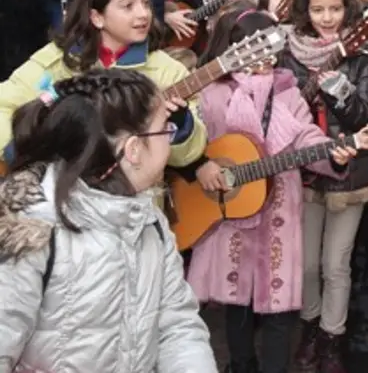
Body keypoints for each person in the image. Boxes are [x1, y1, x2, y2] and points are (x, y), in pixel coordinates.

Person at [0, 69, 216, 371]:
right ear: (134, 150)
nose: (170, 138)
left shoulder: (148, 222)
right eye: (164, 129)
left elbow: (177, 324)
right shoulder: (32, 227)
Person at [186, 8, 355, 373]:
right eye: (254, 46)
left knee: (279, 306)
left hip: (279, 208)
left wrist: (334, 156)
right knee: (238, 304)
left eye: (271, 47)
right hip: (230, 212)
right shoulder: (212, 93)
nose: (265, 57)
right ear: (234, 47)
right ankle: (241, 364)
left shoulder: (288, 93)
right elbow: (192, 140)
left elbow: (306, 138)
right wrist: (200, 165)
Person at [0, 0, 206, 170]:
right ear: (96, 17)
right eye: (128, 6)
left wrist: (180, 125)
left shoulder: (168, 71)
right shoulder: (56, 60)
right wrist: (27, 156)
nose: (144, 14)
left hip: (133, 196)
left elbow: (187, 156)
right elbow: (3, 105)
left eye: (146, 3)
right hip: (60, 191)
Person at [279, 0, 368, 372]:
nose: (327, 18)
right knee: (305, 262)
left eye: (336, 9)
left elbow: (365, 118)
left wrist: (340, 89)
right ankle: (308, 327)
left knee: (336, 263)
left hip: (349, 170)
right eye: (318, 9)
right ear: (305, 10)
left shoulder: (363, 54)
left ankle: (331, 337)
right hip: (301, 170)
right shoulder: (287, 52)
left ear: (348, 8)